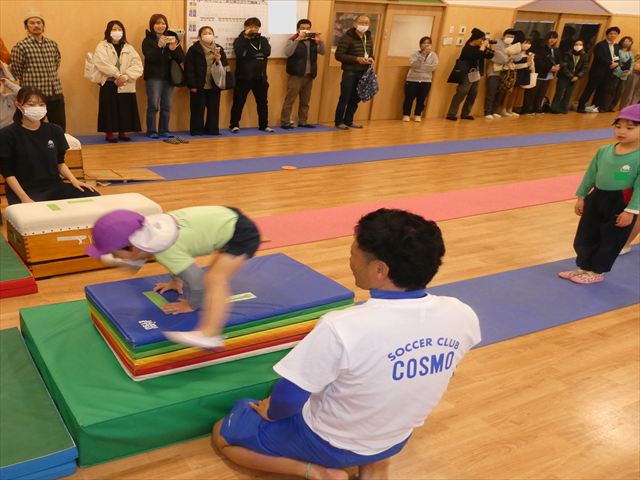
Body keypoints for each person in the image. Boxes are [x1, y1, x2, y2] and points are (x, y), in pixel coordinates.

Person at [211, 208, 481, 480]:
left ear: (379, 269)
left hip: (328, 444)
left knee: (224, 433)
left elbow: (287, 400)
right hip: (395, 438)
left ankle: (318, 472)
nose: (350, 260)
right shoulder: (462, 314)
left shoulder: (341, 326)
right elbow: (441, 373)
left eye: (353, 253)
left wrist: (270, 412)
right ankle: (376, 465)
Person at [86, 205, 261, 348]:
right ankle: (134, 262)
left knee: (213, 279)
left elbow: (196, 282)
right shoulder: (150, 234)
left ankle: (210, 334)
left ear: (133, 246)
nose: (113, 256)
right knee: (185, 263)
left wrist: (192, 304)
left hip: (241, 234)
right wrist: (176, 281)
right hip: (223, 219)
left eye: (115, 253)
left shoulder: (165, 249)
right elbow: (175, 259)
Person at [559, 103, 639, 284]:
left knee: (610, 239)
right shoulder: (604, 151)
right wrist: (581, 196)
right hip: (597, 197)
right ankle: (584, 267)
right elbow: (591, 174)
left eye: (630, 128)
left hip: (621, 202)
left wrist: (631, 210)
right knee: (586, 234)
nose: (622, 131)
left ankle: (596, 271)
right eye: (618, 126)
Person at [0, 87, 98, 205]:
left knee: (93, 196)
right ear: (18, 105)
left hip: (54, 187)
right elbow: (8, 173)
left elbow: (60, 163)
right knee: (38, 212)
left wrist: (74, 180)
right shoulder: (7, 134)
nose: (37, 108)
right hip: (25, 191)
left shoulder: (55, 130)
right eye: (31, 104)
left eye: (41, 104)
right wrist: (24, 198)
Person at [11, 13, 66, 131]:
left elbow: (56, 63)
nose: (36, 25)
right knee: (32, 128)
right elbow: (16, 71)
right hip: (33, 96)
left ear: (43, 25)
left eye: (39, 22)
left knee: (59, 128)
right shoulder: (21, 46)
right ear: (26, 26)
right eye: (32, 23)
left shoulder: (52, 44)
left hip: (55, 92)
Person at [93, 20, 143, 143]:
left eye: (119, 29)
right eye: (114, 29)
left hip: (125, 82)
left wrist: (125, 77)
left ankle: (122, 132)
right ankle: (109, 134)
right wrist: (117, 75)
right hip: (109, 82)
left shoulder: (129, 47)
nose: (117, 32)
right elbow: (102, 63)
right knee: (109, 109)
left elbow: (137, 65)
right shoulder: (102, 46)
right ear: (108, 31)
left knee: (124, 108)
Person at [142, 13, 185, 139]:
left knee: (166, 106)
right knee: (153, 105)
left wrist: (174, 49)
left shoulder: (172, 38)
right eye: (157, 23)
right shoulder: (148, 40)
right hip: (154, 78)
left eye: (163, 23)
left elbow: (181, 58)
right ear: (152, 25)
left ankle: (164, 130)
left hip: (169, 77)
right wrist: (159, 46)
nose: (160, 26)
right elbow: (150, 57)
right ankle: (151, 131)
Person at [229, 17, 273, 133]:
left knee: (263, 103)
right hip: (243, 78)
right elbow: (241, 53)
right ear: (245, 27)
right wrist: (246, 38)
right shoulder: (239, 40)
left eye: (256, 27)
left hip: (260, 77)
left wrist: (252, 54)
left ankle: (264, 125)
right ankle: (234, 125)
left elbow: (267, 52)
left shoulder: (262, 40)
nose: (254, 29)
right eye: (251, 26)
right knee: (239, 102)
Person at [280, 19, 325, 129]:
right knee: (290, 100)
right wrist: (297, 40)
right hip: (296, 75)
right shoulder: (293, 39)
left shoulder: (313, 41)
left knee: (305, 101)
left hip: (309, 75)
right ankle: (285, 122)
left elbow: (323, 52)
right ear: (298, 29)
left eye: (308, 28)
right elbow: (287, 52)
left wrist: (320, 41)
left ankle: (303, 121)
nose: (305, 30)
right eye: (303, 28)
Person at [185, 26, 228, 136]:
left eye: (210, 33)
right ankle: (196, 130)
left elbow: (225, 67)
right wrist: (192, 85)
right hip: (199, 85)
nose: (208, 35)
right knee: (197, 110)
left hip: (214, 85)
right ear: (200, 36)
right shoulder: (194, 49)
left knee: (213, 110)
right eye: (205, 33)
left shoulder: (219, 49)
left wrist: (218, 61)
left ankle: (212, 130)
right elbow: (189, 68)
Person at [334, 15, 374, 130]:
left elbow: (371, 53)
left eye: (366, 23)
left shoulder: (368, 36)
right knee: (345, 97)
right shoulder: (347, 37)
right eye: (362, 22)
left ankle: (349, 120)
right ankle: (338, 121)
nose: (364, 25)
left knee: (356, 98)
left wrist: (371, 59)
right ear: (355, 23)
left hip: (363, 72)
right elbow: (339, 55)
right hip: (350, 72)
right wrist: (356, 59)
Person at [446, 28, 494, 121]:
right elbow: (476, 56)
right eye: (481, 39)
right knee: (461, 92)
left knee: (473, 94)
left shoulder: (480, 48)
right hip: (466, 74)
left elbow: (490, 56)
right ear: (475, 39)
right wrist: (482, 47)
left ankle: (465, 113)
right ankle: (451, 113)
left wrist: (488, 47)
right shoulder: (467, 48)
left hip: (476, 74)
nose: (482, 41)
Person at [577, 27, 621, 113]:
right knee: (589, 89)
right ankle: (580, 106)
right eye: (611, 33)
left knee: (602, 90)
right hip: (597, 72)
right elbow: (599, 57)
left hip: (609, 73)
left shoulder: (617, 46)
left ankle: (595, 107)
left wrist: (617, 63)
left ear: (617, 35)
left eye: (615, 34)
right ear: (607, 35)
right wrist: (610, 63)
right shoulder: (600, 45)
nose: (613, 35)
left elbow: (619, 57)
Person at [484, 29, 524, 119]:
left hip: (506, 72)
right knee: (491, 92)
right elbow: (499, 57)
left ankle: (494, 111)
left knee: (501, 92)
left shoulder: (512, 46)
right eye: (508, 36)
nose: (510, 38)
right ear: (504, 36)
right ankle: (488, 111)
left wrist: (511, 56)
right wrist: (509, 57)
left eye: (512, 37)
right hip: (494, 71)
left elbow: (518, 57)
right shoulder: (496, 43)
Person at [522, 31, 561, 116]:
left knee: (542, 93)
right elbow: (538, 61)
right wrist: (550, 67)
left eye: (555, 38)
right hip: (539, 73)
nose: (552, 40)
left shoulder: (556, 50)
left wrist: (557, 66)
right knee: (532, 92)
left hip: (549, 75)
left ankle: (538, 108)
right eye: (551, 38)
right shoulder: (540, 48)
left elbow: (558, 60)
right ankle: (528, 109)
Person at [402, 36, 438, 122]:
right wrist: (422, 55)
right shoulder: (414, 54)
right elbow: (414, 65)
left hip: (426, 80)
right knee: (409, 98)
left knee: (421, 99)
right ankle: (406, 114)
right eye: (424, 43)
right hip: (412, 80)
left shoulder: (434, 56)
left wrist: (421, 67)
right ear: (420, 44)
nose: (426, 45)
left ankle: (417, 115)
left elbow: (433, 67)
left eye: (428, 43)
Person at [550, 39, 588, 114]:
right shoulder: (567, 54)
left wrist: (578, 76)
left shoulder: (584, 55)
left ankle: (563, 109)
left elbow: (585, 67)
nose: (578, 46)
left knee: (568, 94)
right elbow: (563, 66)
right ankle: (554, 108)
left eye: (580, 45)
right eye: (576, 44)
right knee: (559, 93)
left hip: (575, 78)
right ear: (573, 45)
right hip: (564, 76)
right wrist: (570, 76)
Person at [501, 37, 534, 117]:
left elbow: (531, 67)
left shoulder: (529, 54)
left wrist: (530, 63)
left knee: (517, 93)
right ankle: (503, 109)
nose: (527, 45)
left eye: (529, 43)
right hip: (514, 74)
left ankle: (510, 109)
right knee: (509, 92)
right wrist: (525, 64)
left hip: (523, 75)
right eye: (525, 43)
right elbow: (512, 65)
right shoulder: (515, 52)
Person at [606, 36, 634, 112]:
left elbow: (632, 64)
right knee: (611, 90)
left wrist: (628, 72)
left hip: (624, 76)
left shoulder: (630, 53)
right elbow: (615, 61)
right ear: (622, 41)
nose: (627, 43)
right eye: (625, 41)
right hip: (615, 73)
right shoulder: (618, 50)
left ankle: (612, 107)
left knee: (619, 92)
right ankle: (606, 106)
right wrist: (620, 71)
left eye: (629, 41)